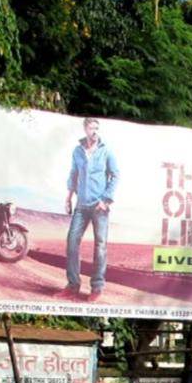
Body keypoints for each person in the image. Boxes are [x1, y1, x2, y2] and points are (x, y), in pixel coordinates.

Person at [63, 117, 119, 302]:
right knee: (72, 242)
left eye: (97, 128)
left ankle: (97, 287)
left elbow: (115, 175)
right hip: (81, 205)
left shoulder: (106, 151)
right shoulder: (77, 151)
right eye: (91, 128)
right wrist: (69, 197)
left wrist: (106, 200)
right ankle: (72, 286)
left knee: (100, 246)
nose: (94, 131)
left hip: (99, 207)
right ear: (85, 130)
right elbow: (73, 174)